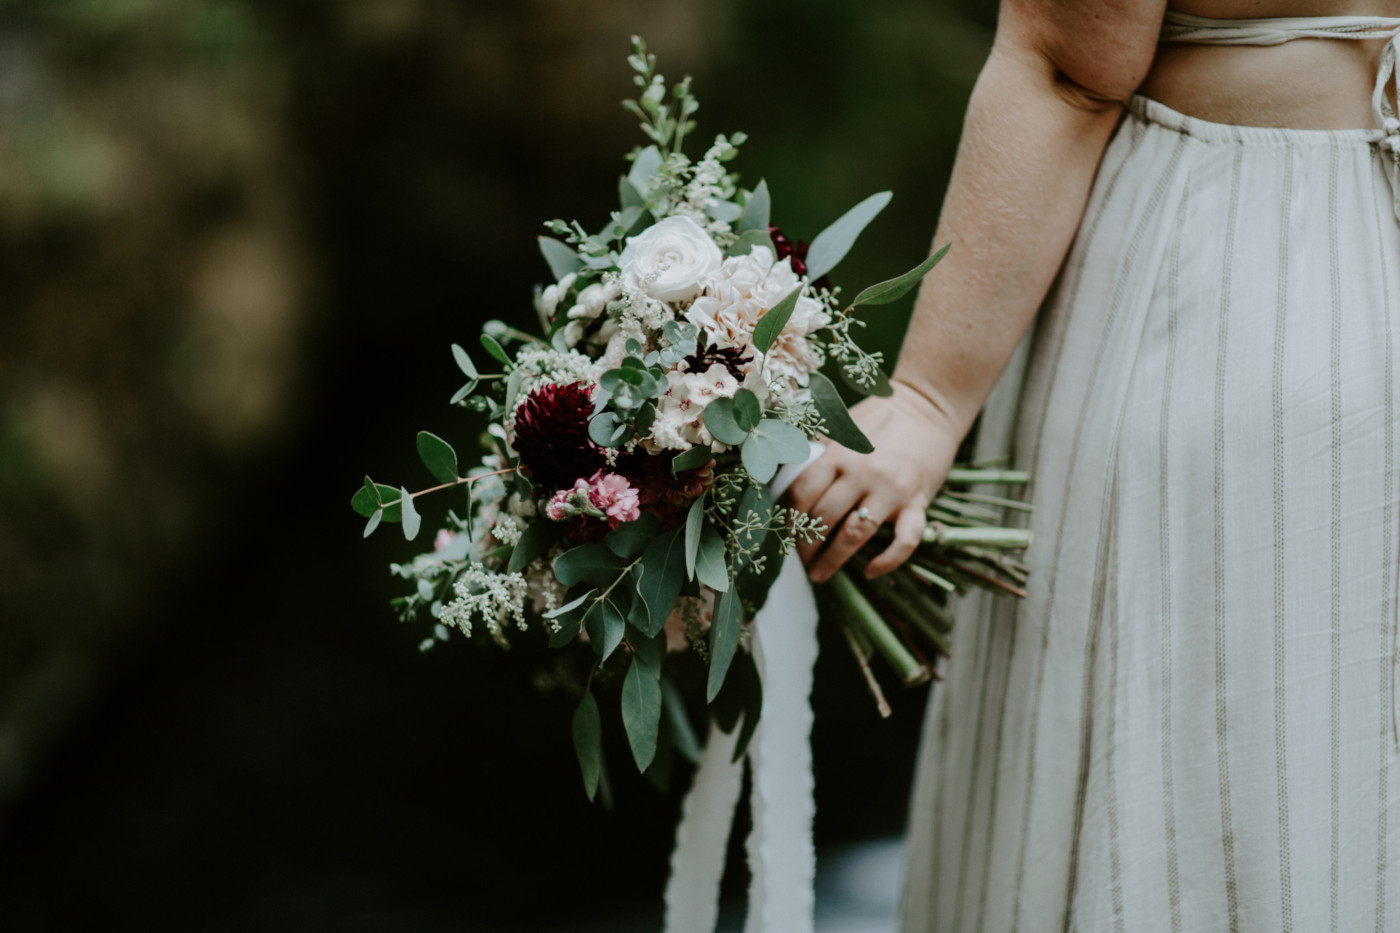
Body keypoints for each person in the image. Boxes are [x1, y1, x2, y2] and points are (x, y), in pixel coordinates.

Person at [784, 1, 1400, 929]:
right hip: (1272, 295)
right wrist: (925, 404)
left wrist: (927, 402)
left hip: (1225, 295)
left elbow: (1065, 69)